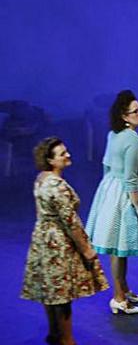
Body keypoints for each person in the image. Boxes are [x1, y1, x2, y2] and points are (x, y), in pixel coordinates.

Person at [22, 137, 109, 345]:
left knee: (50, 290)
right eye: (62, 154)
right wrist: (87, 249)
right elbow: (71, 222)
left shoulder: (41, 178)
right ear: (51, 161)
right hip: (57, 241)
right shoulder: (56, 185)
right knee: (62, 294)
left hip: (42, 237)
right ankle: (67, 339)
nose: (67, 155)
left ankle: (54, 333)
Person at [85, 90, 138, 315]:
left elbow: (106, 165)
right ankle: (118, 297)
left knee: (119, 249)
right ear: (124, 116)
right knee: (119, 247)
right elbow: (131, 179)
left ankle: (123, 289)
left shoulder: (114, 134)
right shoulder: (133, 140)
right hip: (124, 195)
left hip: (110, 189)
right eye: (136, 111)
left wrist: (106, 190)